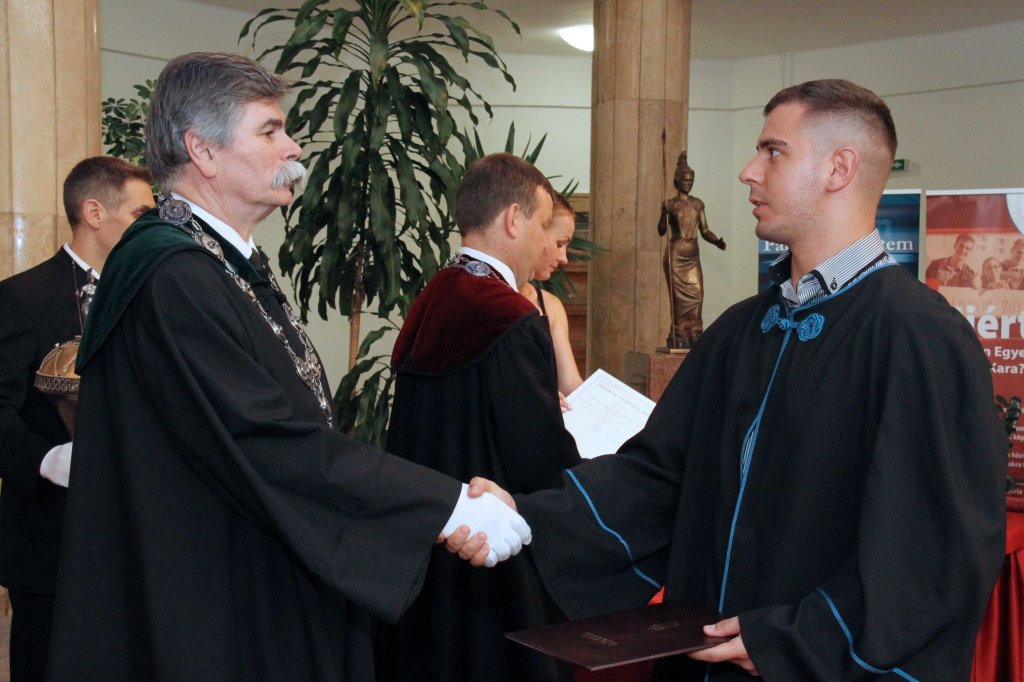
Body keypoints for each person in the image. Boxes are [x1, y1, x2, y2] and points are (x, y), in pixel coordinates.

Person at [451, 79, 1007, 681]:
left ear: (839, 168)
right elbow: (656, 475)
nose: (748, 171)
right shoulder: (743, 329)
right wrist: (525, 514)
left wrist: (791, 641)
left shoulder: (922, 338)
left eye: (773, 151)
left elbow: (933, 550)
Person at [46, 52, 531, 682]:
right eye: (270, 130)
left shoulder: (217, 259)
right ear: (203, 151)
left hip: (250, 564)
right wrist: (446, 505)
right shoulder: (175, 274)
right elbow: (263, 436)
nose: (293, 146)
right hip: (214, 591)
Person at [380, 153, 582, 682]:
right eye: (542, 225)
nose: (544, 243)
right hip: (495, 561)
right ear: (514, 219)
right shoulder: (509, 315)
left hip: (430, 545)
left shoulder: (431, 298)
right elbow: (538, 461)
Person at [0, 155, 153, 682]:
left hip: (133, 534)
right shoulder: (21, 297)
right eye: (140, 214)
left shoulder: (146, 295)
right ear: (93, 212)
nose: (150, 227)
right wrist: (49, 460)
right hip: (50, 536)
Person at [520, 191, 584, 404]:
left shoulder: (550, 305)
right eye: (559, 244)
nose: (564, 258)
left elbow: (570, 384)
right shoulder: (489, 298)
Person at [658, 152, 726, 348]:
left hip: (692, 254)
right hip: (676, 253)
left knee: (697, 293)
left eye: (691, 181)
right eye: (685, 180)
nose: (688, 184)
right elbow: (661, 231)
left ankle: (695, 332)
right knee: (678, 300)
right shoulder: (670, 204)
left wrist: (717, 241)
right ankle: (679, 334)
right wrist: (664, 214)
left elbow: (705, 231)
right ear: (677, 181)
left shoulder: (697, 204)